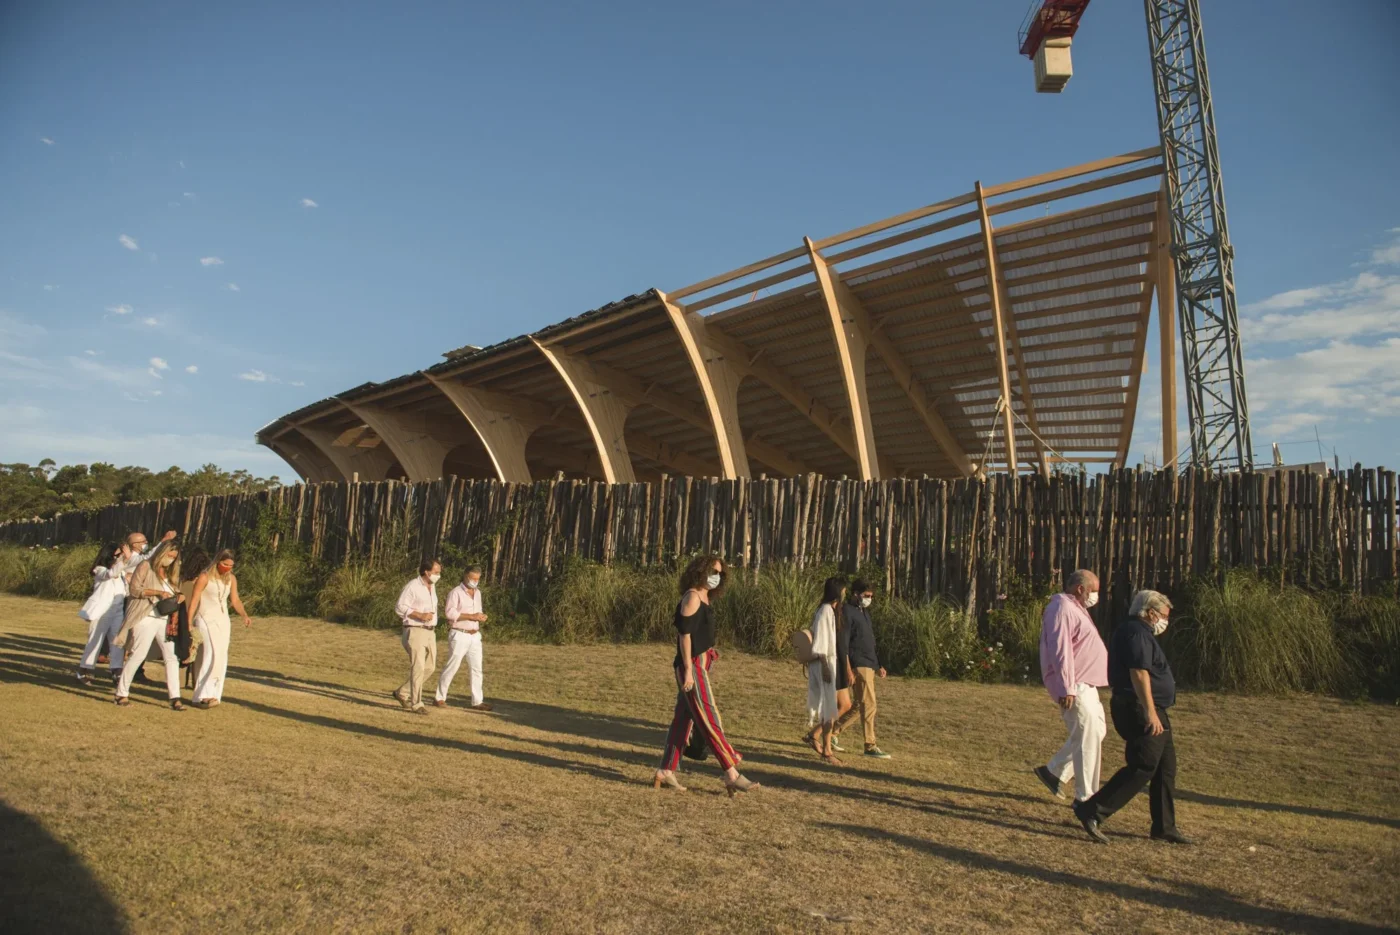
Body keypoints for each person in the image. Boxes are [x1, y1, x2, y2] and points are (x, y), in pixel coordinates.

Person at [1073, 589, 1189, 845]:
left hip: (1154, 708)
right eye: (1163, 616)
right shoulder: (1135, 632)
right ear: (1150, 613)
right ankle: (1093, 809)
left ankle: (1164, 826)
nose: (1164, 622)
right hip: (1139, 706)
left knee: (1165, 767)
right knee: (1144, 764)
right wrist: (1149, 711)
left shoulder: (1141, 633)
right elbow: (1139, 673)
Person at [654, 554, 759, 796]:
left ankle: (666, 770)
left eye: (720, 573)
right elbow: (684, 635)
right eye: (713, 571)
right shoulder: (692, 596)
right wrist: (690, 671)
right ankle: (731, 772)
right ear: (700, 571)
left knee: (684, 719)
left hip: (702, 662)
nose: (716, 577)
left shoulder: (706, 597)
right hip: (691, 665)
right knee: (708, 716)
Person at [1034, 569, 1108, 804]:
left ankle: (1055, 772)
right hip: (1075, 683)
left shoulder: (1077, 609)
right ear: (1080, 589)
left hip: (1087, 683)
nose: (1096, 595)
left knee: (1096, 732)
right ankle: (1086, 798)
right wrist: (1066, 687)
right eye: (1093, 590)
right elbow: (1061, 649)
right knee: (1087, 737)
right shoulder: (1062, 608)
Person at [112, 538, 187, 710]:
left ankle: (174, 697)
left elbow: (174, 590)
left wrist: (178, 596)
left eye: (174, 557)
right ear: (163, 553)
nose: (171, 559)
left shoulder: (169, 574)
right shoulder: (146, 566)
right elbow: (135, 589)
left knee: (171, 657)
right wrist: (157, 592)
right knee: (138, 655)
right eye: (169, 555)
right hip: (145, 616)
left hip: (164, 619)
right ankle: (121, 693)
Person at [832, 579, 891, 759]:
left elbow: (870, 641)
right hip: (859, 663)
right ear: (856, 594)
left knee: (859, 705)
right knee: (870, 704)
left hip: (870, 663)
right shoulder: (847, 612)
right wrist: (848, 668)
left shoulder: (864, 612)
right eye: (866, 596)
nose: (869, 599)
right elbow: (844, 643)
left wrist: (878, 664)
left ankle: (832, 731)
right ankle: (870, 744)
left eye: (871, 596)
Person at [189, 550, 253, 708]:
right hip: (205, 618)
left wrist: (244, 614)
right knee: (212, 654)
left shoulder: (231, 579)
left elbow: (235, 599)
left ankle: (214, 693)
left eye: (231, 566)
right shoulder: (205, 577)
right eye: (225, 565)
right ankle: (202, 694)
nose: (228, 568)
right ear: (218, 562)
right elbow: (195, 599)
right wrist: (189, 621)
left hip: (223, 619)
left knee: (222, 656)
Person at [803, 576, 847, 765]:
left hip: (829, 664)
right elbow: (820, 644)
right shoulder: (825, 611)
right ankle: (827, 750)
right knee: (828, 708)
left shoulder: (830, 611)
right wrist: (825, 668)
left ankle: (822, 744)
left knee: (830, 708)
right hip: (824, 665)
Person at [435, 565, 492, 710]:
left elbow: (477, 610)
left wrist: (480, 616)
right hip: (459, 633)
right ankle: (440, 697)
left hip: (475, 634)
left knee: (477, 668)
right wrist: (470, 616)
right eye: (473, 578)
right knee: (453, 666)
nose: (475, 581)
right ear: (466, 576)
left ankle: (477, 701)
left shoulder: (478, 593)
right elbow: (450, 613)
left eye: (477, 579)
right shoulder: (455, 592)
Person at [392, 558, 441, 714]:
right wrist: (419, 615)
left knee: (430, 666)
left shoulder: (432, 587)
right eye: (436, 572)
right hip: (415, 629)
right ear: (426, 572)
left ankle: (402, 692)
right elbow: (400, 607)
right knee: (418, 666)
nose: (438, 575)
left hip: (430, 631)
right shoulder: (412, 586)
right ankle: (417, 703)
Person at [75, 543, 126, 686]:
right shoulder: (100, 569)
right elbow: (110, 574)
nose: (119, 558)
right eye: (117, 555)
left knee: (117, 642)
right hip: (103, 611)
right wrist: (123, 560)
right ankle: (84, 669)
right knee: (95, 641)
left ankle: (117, 671)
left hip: (117, 610)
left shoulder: (121, 572)